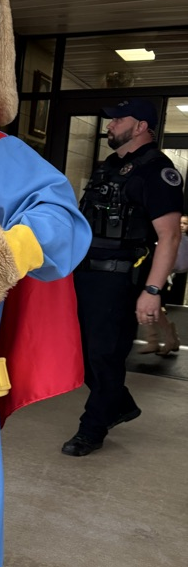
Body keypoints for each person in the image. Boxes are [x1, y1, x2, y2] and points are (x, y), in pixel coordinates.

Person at [62, 99, 184, 456]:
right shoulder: (110, 167)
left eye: (119, 119)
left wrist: (152, 290)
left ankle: (92, 427)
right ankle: (119, 402)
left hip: (119, 279)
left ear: (142, 125)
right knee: (80, 352)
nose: (110, 124)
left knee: (104, 354)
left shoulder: (158, 171)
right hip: (84, 274)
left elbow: (170, 236)